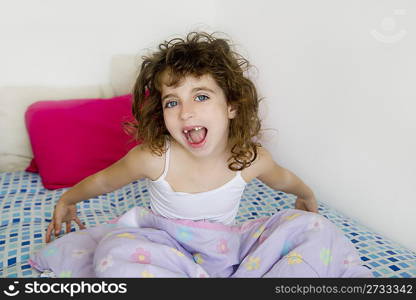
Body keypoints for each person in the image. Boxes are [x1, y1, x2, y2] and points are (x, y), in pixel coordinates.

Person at [45, 31, 318, 243]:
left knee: (313, 234)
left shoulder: (248, 159)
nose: (186, 113)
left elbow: (283, 179)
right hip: (162, 247)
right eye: (172, 102)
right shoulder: (153, 158)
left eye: (201, 96)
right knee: (115, 255)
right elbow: (104, 181)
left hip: (223, 249)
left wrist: (306, 195)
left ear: (231, 107)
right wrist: (67, 199)